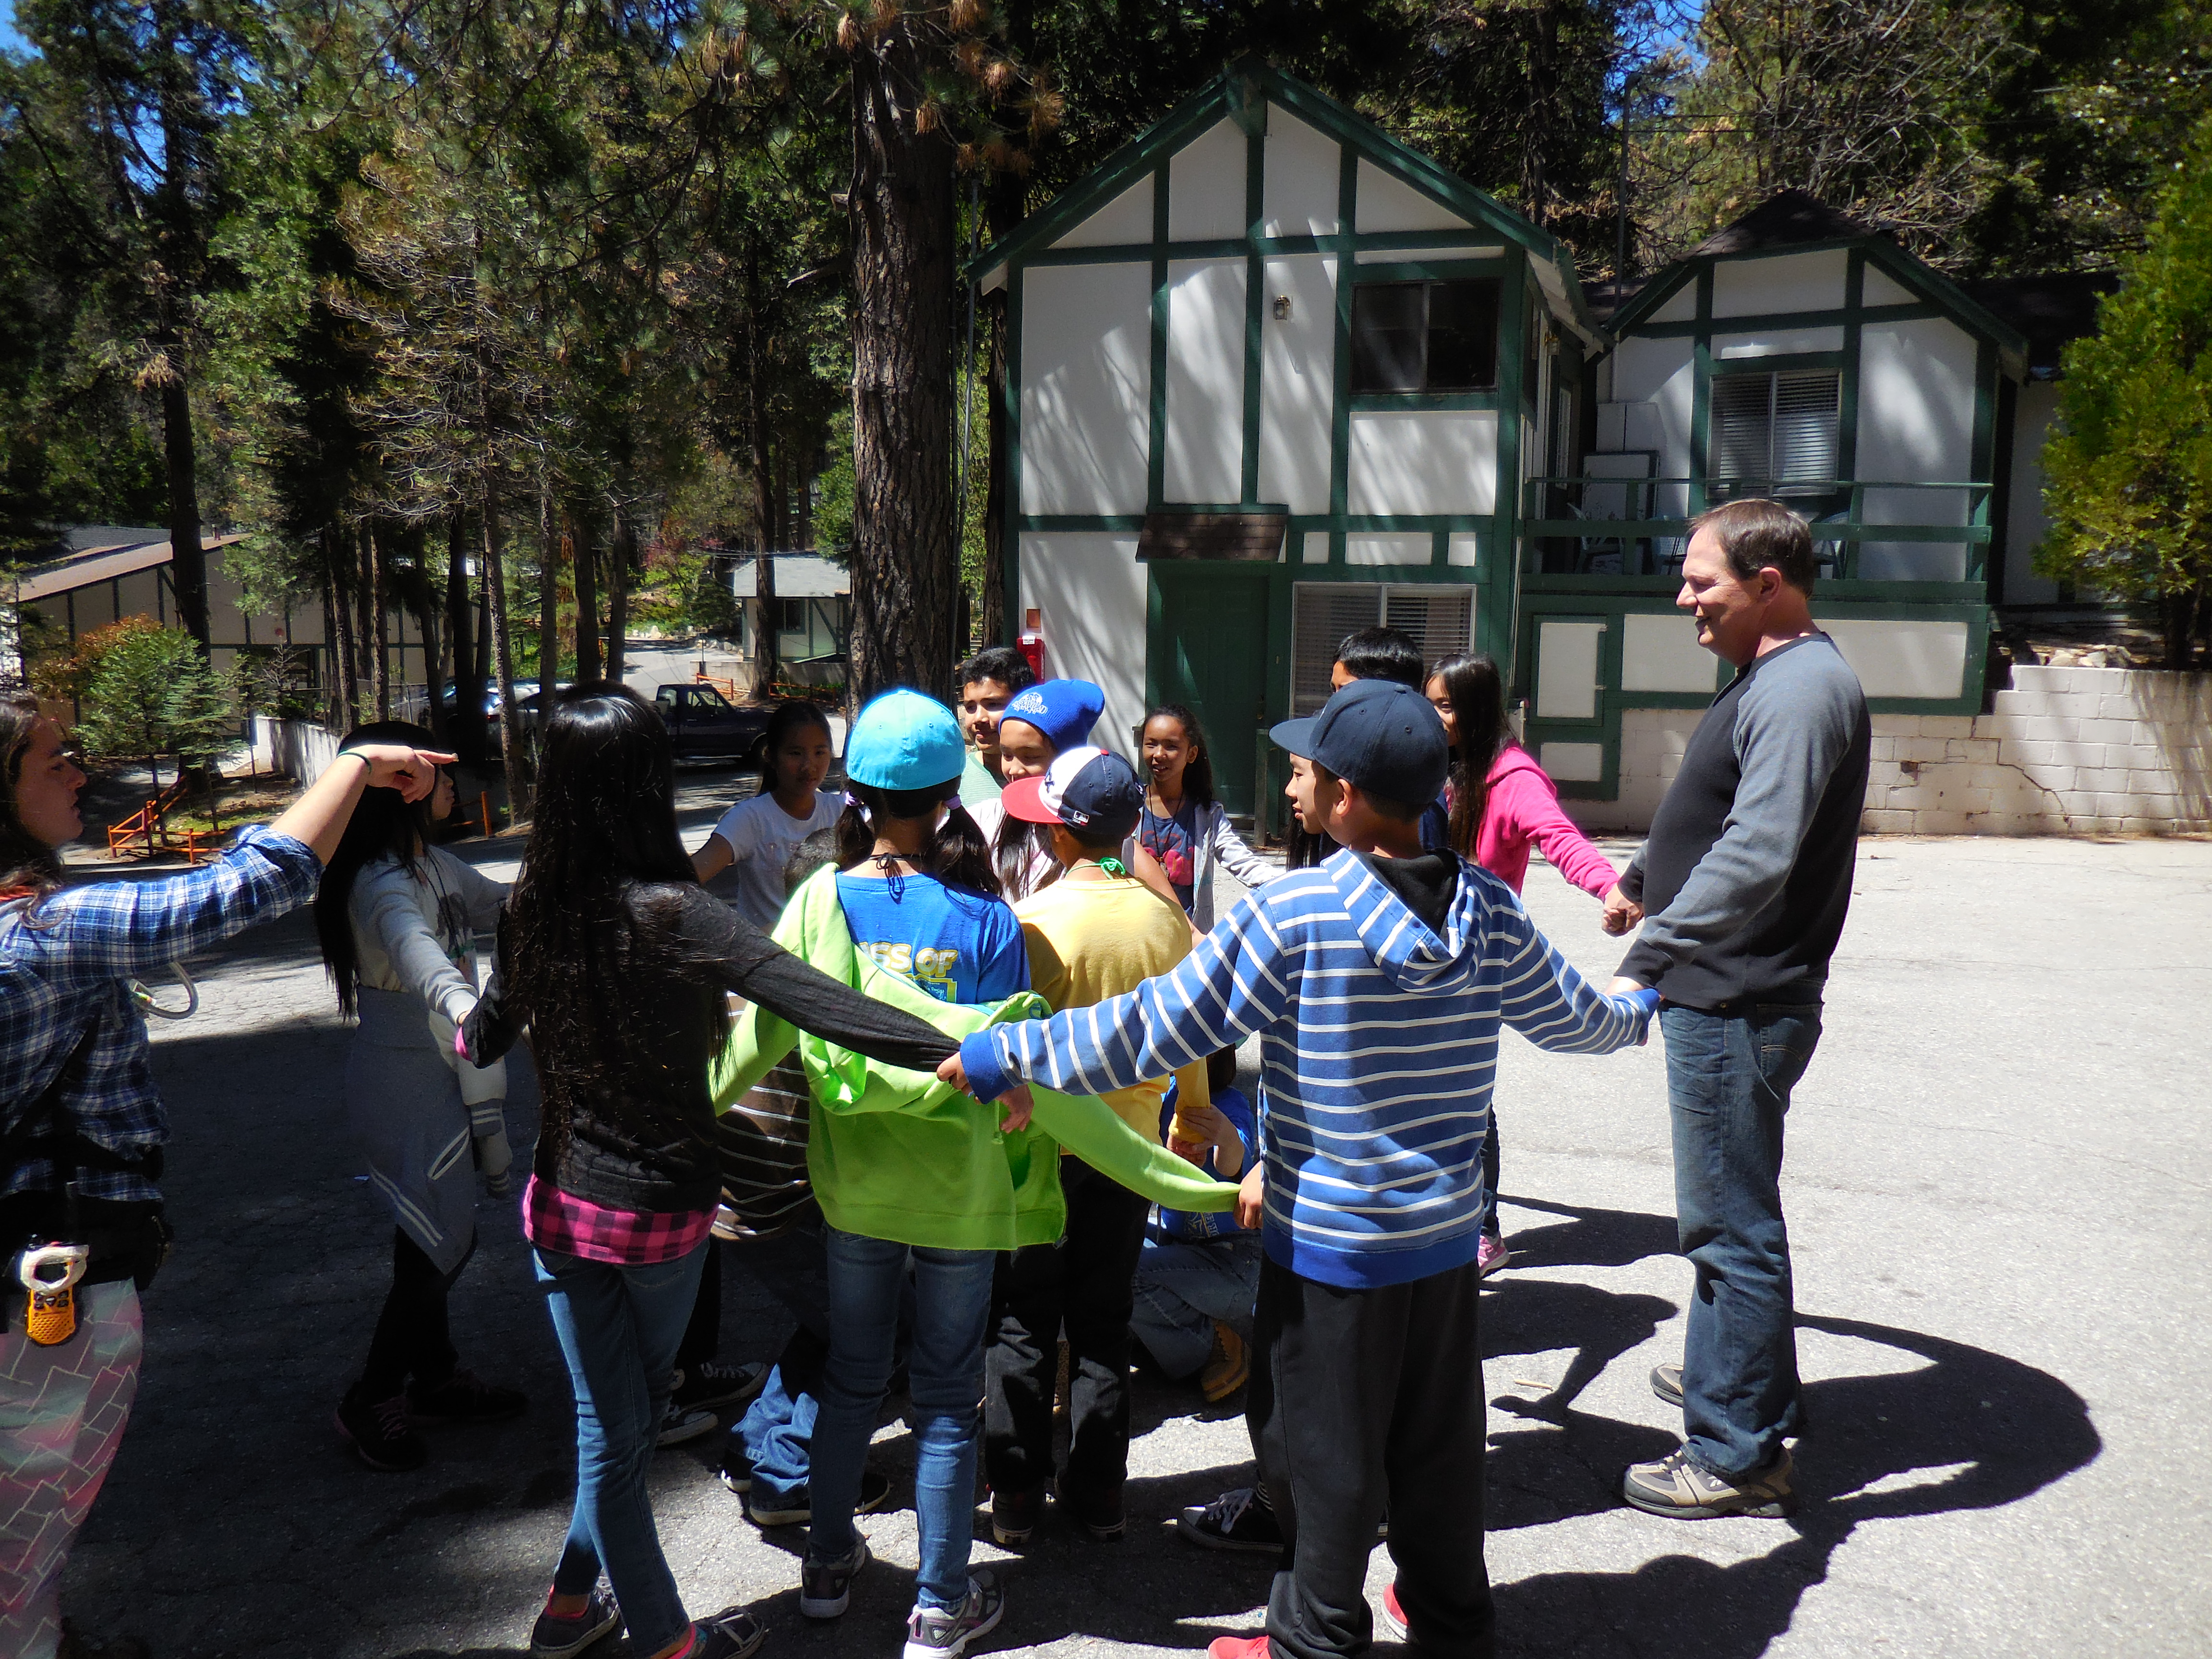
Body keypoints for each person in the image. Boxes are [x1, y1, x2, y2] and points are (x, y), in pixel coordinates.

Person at [938, 677, 1660, 1659]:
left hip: (1331, 1254)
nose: (1288, 783)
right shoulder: (1489, 909)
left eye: (1304, 769)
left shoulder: (1299, 915)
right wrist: (1639, 996)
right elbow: (1581, 1022)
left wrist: (1007, 1054)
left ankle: (1313, 1638)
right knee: (1438, 1454)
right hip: (1443, 1249)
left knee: (1319, 1458)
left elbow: (1151, 1031)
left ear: (1350, 796)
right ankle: (1453, 1628)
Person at [458, 684, 962, 1659]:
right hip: (659, 1223)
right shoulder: (676, 913)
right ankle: (666, 1641)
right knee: (619, 1435)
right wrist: (965, 1051)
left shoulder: (533, 911)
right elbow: (817, 1002)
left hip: (560, 1215)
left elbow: (481, 1038)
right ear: (648, 786)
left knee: (624, 1426)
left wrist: (450, 1004)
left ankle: (570, 1610)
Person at [0, 690, 450, 1659]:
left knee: (23, 1529)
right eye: (52, 762)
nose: (80, 772)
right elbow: (232, 893)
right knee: (23, 1532)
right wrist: (356, 767)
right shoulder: (36, 935)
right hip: (41, 1292)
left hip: (40, 1274)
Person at [1605, 499, 1870, 1522]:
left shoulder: (1801, 689)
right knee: (1736, 1211)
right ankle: (1745, 1382)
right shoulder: (1778, 675)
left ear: (1769, 583)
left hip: (1736, 995)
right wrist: (1644, 872)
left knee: (1727, 1223)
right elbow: (1715, 815)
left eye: (1701, 580)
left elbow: (1759, 853)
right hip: (1728, 987)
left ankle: (1737, 1453)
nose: (1685, 598)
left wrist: (1653, 952)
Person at [982, 746, 1211, 1549]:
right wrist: (1194, 1115)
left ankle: (1013, 1498)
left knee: (1021, 1319)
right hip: (1129, 1152)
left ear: (1059, 836)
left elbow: (1007, 1040)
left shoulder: (1032, 920)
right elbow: (1192, 1030)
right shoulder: (1164, 920)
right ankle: (1100, 1495)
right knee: (1103, 1321)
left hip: (1040, 1149)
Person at [311, 721, 525, 1472]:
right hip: (409, 1072)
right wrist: (470, 1011)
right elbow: (419, 953)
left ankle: (433, 1378)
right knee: (436, 1243)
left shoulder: (427, 863)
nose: (454, 781)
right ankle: (370, 1397)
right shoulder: (380, 879)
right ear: (402, 783)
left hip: (436, 1065)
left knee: (440, 1236)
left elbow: (501, 905)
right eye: (438, 766)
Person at [1423, 655, 1640, 1277]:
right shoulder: (1437, 766)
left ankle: (1483, 1229)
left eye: (1445, 705)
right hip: (1418, 952)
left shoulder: (1511, 778)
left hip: (1476, 958)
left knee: (1468, 1100)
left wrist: (1610, 888)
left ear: (1477, 710)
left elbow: (1560, 838)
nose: (1434, 716)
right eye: (1429, 703)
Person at [967, 679, 1184, 916]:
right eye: (1007, 755)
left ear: (1069, 761)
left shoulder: (1108, 842)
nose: (1014, 770)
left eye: (1030, 757)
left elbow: (1181, 925)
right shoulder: (983, 820)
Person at [1131, 1048, 1261, 1404]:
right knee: (1104, 1253)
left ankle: (1210, 1343)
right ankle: (1159, 1334)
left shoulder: (1228, 1103)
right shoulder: (1166, 1096)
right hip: (1177, 1246)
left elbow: (1236, 1163)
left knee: (1130, 1275)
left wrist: (1224, 1137)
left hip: (1232, 1261)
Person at [691, 701, 845, 929]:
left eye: (819, 752)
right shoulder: (750, 819)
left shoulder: (840, 811)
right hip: (767, 957)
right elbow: (689, 877)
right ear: (771, 757)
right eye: (795, 753)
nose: (809, 765)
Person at [1136, 705, 1279, 933]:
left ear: (1191, 754)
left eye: (1171, 746)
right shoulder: (1129, 809)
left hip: (1189, 942)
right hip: (1138, 936)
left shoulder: (1207, 816)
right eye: (1151, 744)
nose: (1159, 754)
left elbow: (1241, 861)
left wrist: (1290, 885)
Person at [954, 646, 1036, 808]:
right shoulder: (955, 781)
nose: (979, 718)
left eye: (993, 705)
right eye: (970, 707)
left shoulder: (1052, 778)